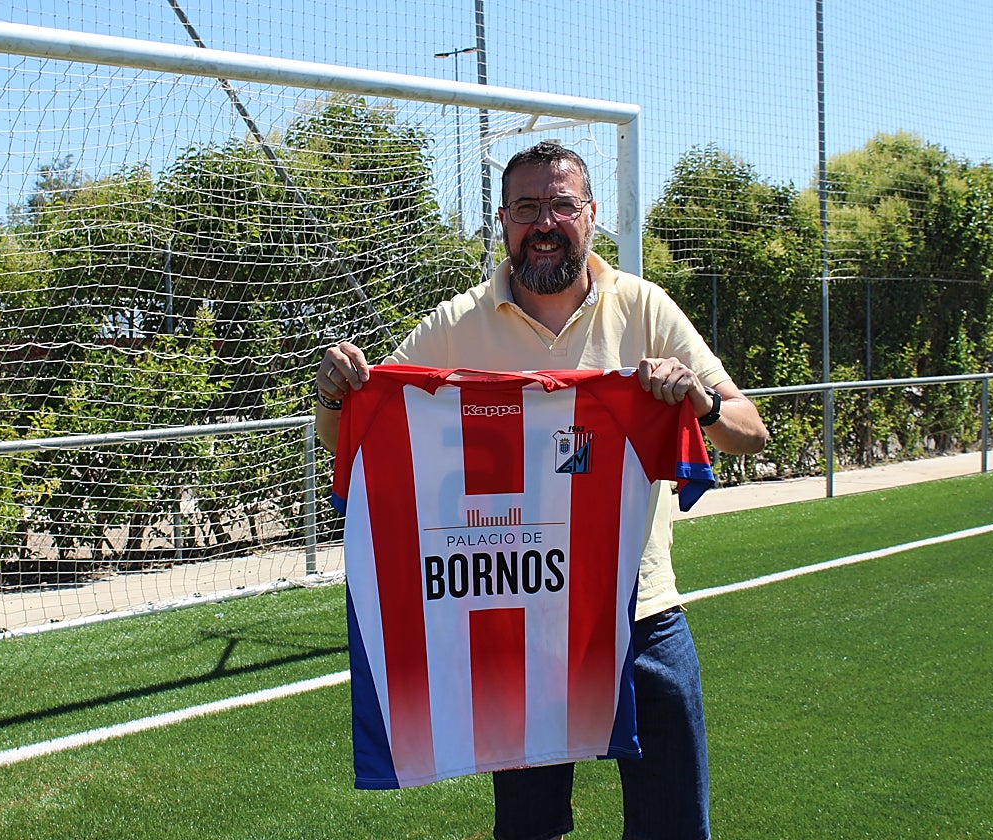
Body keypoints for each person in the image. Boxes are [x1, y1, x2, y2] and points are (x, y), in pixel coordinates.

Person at [314, 141, 768, 840]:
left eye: (561, 204)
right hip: (520, 618)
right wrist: (334, 394)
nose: (545, 221)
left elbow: (750, 429)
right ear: (501, 220)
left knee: (676, 822)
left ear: (591, 216)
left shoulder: (643, 307)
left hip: (640, 612)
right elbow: (363, 426)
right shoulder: (458, 322)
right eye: (527, 207)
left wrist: (698, 401)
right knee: (529, 831)